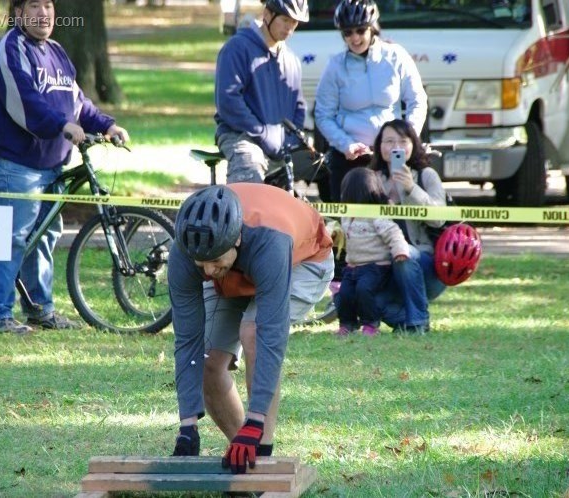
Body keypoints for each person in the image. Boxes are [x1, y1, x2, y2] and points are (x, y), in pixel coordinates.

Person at [0, 0, 129, 334]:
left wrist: (106, 125)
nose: (43, 13)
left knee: (44, 237)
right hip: (19, 165)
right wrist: (62, 125)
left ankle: (40, 309)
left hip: (53, 165)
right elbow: (25, 103)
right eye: (34, 6)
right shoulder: (9, 50)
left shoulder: (57, 52)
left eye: (48, 5)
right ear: (18, 13)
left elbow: (78, 102)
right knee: (13, 238)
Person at [168, 183, 333, 474]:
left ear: (236, 239)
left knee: (253, 331)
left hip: (303, 261)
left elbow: (271, 336)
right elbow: (187, 339)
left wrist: (255, 420)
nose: (207, 271)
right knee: (210, 361)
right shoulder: (188, 247)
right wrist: (187, 425)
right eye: (200, 264)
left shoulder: (269, 241)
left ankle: (262, 454)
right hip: (237, 272)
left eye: (214, 261)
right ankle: (244, 457)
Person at [314, 0, 427, 202]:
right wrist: (345, 144)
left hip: (393, 155)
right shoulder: (335, 66)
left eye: (360, 30)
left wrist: (406, 139)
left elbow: (417, 100)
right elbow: (323, 115)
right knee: (347, 224)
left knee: (398, 220)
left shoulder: (396, 56)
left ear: (372, 29)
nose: (354, 38)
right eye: (347, 33)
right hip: (351, 156)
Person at [214, 0, 310, 184]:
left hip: (279, 142)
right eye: (285, 20)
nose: (290, 28)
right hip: (240, 135)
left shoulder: (292, 60)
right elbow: (228, 101)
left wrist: (291, 139)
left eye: (295, 22)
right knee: (250, 166)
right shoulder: (237, 48)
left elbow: (298, 106)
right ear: (267, 14)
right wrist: (263, 134)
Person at [370, 119, 447, 335]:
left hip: (424, 265)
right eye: (389, 141)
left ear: (413, 144)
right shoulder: (372, 178)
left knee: (404, 254)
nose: (396, 147)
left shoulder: (426, 175)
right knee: (369, 300)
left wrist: (411, 188)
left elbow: (438, 219)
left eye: (402, 141)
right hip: (385, 267)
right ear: (379, 146)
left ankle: (418, 322)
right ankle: (406, 320)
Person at [335, 167, 410, 337]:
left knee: (364, 290)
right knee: (345, 293)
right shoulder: (347, 215)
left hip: (374, 266)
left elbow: (393, 232)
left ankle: (370, 324)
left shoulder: (376, 215)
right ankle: (347, 324)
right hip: (352, 267)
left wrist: (400, 251)